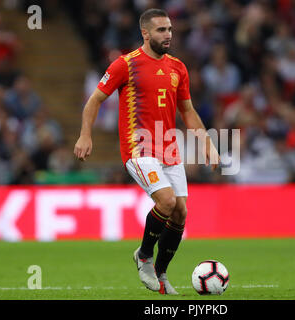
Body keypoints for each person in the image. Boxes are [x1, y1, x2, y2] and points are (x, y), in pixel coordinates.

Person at [73, 8, 220, 295]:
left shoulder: (178, 67)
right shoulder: (125, 65)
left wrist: (208, 143)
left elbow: (187, 111)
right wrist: (85, 135)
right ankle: (143, 255)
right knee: (166, 201)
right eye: (161, 30)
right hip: (138, 148)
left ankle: (162, 274)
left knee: (180, 212)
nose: (168, 35)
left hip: (169, 149)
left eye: (170, 30)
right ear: (145, 33)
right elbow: (94, 101)